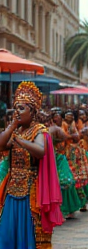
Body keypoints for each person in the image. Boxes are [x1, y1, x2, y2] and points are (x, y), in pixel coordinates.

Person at [0, 81, 63, 249]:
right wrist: (13, 126)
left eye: (22, 108)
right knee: (6, 233)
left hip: (31, 191)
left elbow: (40, 150)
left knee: (28, 234)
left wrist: (19, 141)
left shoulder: (39, 130)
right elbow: (1, 145)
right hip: (12, 188)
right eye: (16, 108)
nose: (17, 112)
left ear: (33, 111)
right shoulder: (15, 129)